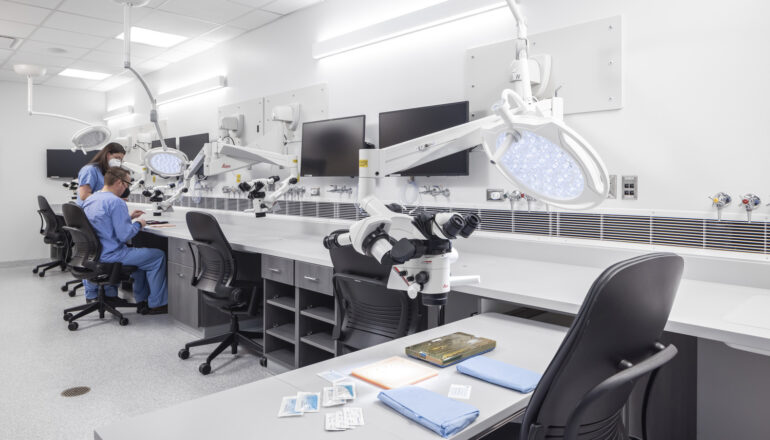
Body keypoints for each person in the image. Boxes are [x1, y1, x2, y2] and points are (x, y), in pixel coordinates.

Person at [82, 167, 168, 314]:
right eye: (127, 184)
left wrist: (128, 218)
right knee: (157, 256)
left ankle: (142, 300)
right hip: (112, 255)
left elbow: (102, 225)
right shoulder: (116, 202)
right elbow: (124, 236)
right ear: (120, 183)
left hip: (93, 254)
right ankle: (157, 304)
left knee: (142, 256)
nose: (126, 188)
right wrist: (139, 223)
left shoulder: (91, 199)